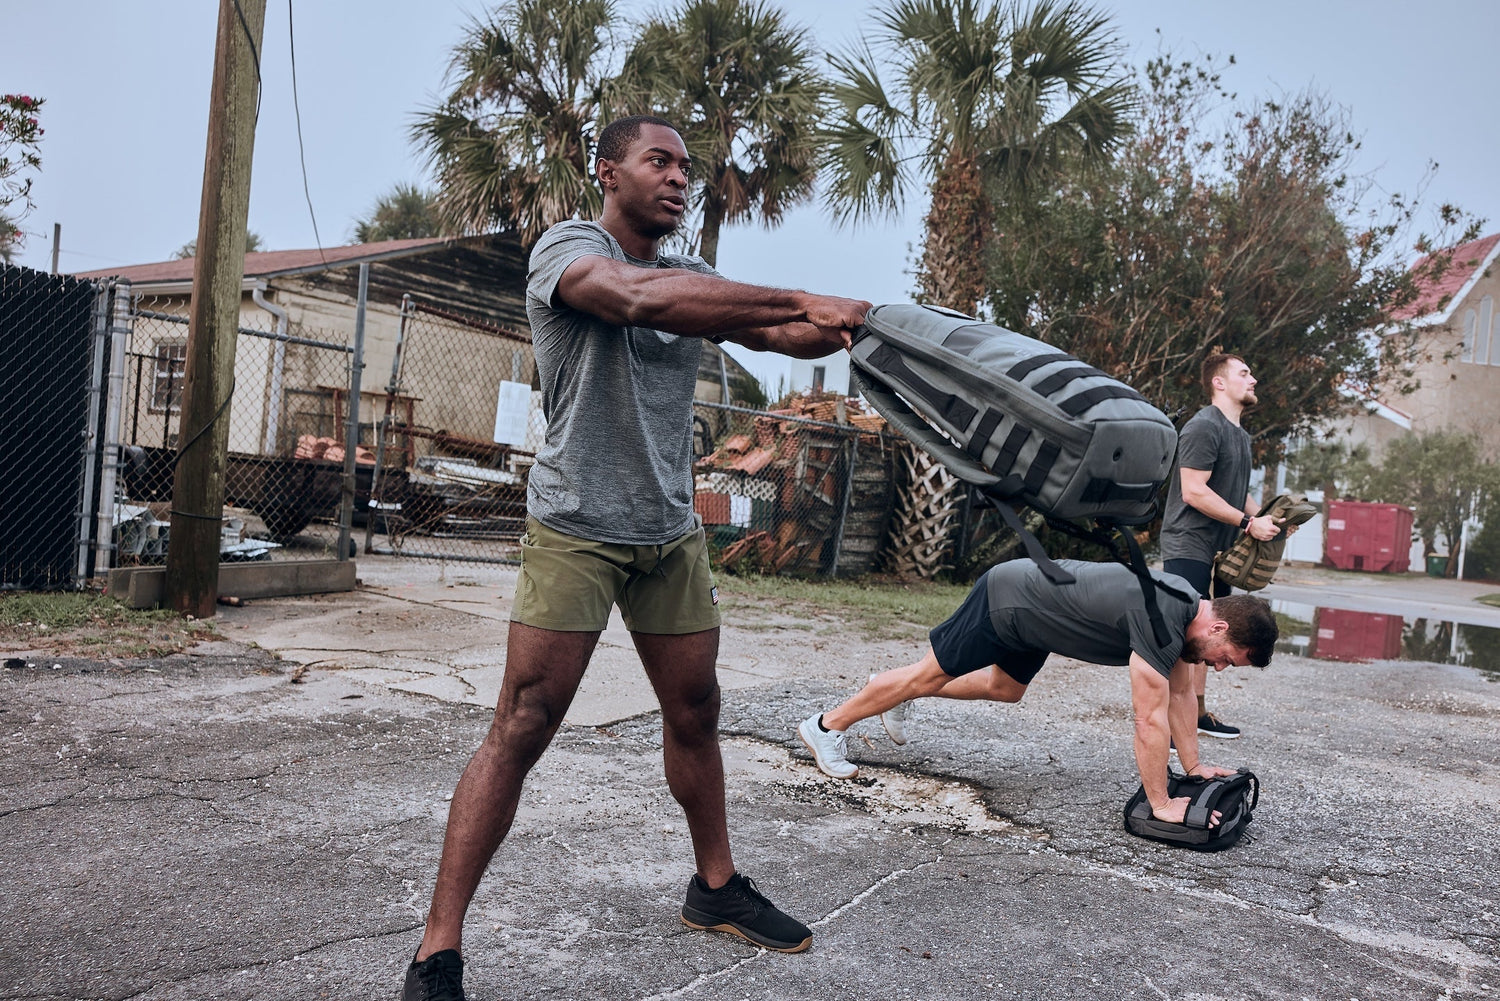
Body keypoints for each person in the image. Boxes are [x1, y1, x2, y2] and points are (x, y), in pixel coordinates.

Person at [402, 115, 872, 1001]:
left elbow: (779, 338)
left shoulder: (694, 275)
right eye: (659, 161)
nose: (679, 178)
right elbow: (634, 301)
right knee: (525, 719)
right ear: (607, 170)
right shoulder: (567, 250)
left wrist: (859, 328)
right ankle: (437, 950)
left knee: (696, 710)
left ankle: (716, 888)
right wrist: (803, 297)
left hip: (667, 532)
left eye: (687, 167)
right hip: (577, 523)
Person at [796, 559, 1278, 825]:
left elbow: (1181, 697)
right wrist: (1161, 803)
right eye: (1225, 658)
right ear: (1217, 627)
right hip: (1010, 599)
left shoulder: (1185, 618)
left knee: (1004, 688)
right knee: (927, 674)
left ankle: (896, 696)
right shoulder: (1163, 615)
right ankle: (826, 726)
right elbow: (1148, 718)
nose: (1217, 667)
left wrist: (1193, 768)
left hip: (1037, 618)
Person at [1159, 353, 1287, 740]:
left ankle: (1195, 712)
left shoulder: (1240, 436)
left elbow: (1234, 492)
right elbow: (1194, 491)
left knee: (1214, 632)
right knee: (1185, 632)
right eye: (1244, 373)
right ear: (1219, 382)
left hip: (1221, 547)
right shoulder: (1203, 427)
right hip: (1189, 542)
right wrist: (1249, 522)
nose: (1253, 380)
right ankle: (1167, 715)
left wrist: (1269, 521)